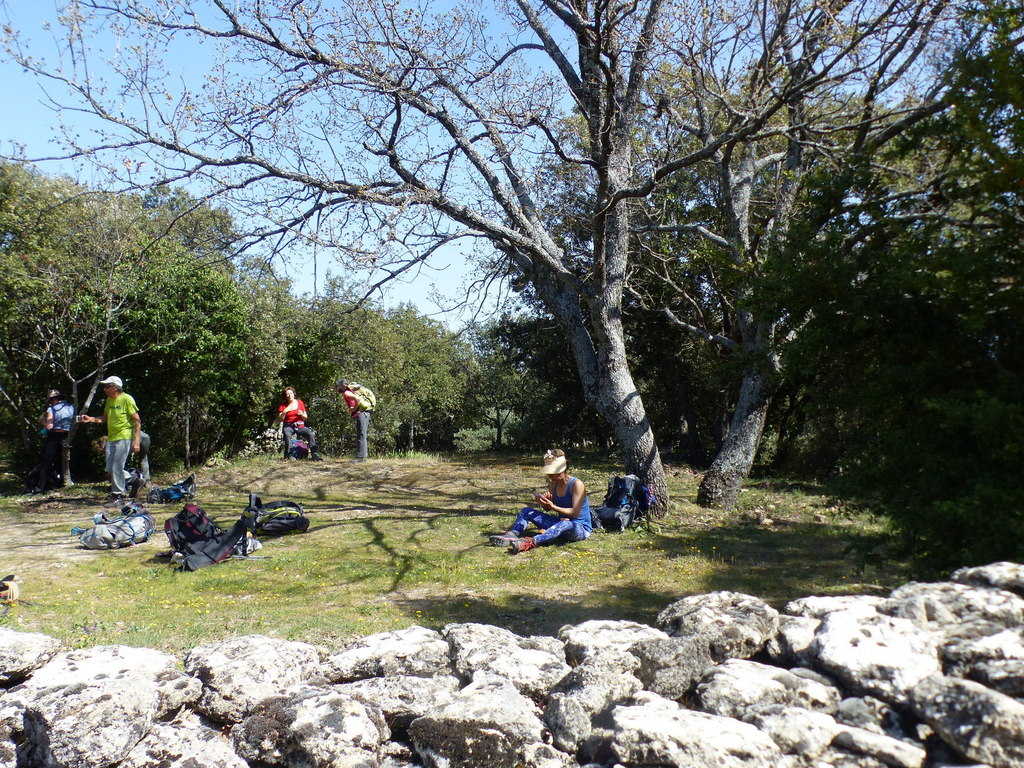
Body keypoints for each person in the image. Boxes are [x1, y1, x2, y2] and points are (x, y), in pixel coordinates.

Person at [491, 449, 593, 554]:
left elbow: (575, 513)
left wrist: (553, 506)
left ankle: (530, 542)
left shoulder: (576, 484)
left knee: (565, 524)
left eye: (552, 472)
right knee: (526, 511)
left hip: (579, 528)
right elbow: (548, 509)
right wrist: (544, 503)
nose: (550, 475)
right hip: (559, 523)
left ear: (562, 469)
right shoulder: (554, 483)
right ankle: (512, 535)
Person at [79, 375, 141, 506]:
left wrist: (136, 442)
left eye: (107, 386)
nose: (105, 389)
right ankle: (134, 479)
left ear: (115, 387)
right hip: (112, 438)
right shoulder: (109, 400)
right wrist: (91, 419)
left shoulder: (127, 399)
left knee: (117, 467)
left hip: (124, 436)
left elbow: (137, 421)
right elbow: (104, 418)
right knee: (110, 469)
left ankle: (118, 496)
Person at [31, 389, 75, 493]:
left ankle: (39, 488)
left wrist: (43, 423)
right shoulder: (71, 407)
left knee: (46, 462)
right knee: (62, 460)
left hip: (54, 436)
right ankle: (63, 483)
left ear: (54, 399)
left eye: (50, 400)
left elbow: (49, 426)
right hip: (67, 436)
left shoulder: (52, 409)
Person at [277, 386, 322, 460]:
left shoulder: (300, 403)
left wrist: (301, 414)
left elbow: (305, 417)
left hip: (300, 426)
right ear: (285, 396)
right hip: (289, 426)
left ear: (294, 394)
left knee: (310, 434)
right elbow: (280, 419)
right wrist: (284, 412)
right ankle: (290, 455)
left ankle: (314, 454)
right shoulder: (283, 406)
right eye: (287, 394)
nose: (289, 395)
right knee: (287, 434)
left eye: (291, 393)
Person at [334, 379, 372, 461]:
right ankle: (363, 456)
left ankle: (360, 457)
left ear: (340, 387)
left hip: (361, 413)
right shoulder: (348, 391)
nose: (335, 388)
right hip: (365, 413)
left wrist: (353, 409)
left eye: (336, 386)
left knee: (361, 434)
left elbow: (357, 399)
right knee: (362, 434)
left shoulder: (347, 393)